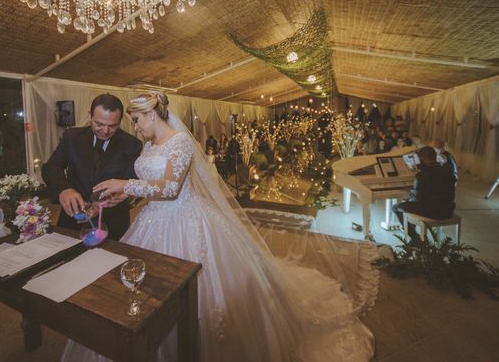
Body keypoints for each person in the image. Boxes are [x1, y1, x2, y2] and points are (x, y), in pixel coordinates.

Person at [61, 91, 374, 362]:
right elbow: (150, 186)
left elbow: (170, 189)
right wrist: (122, 195)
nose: (135, 127)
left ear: (152, 114)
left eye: (137, 120)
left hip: (185, 219)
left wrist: (124, 184)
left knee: (196, 294)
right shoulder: (148, 145)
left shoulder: (180, 142)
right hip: (151, 219)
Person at [42, 94, 142, 240]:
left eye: (113, 125)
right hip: (72, 221)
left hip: (112, 224)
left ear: (120, 121)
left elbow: (131, 181)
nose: (105, 131)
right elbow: (51, 168)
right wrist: (64, 190)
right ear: (90, 115)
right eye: (99, 124)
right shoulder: (72, 136)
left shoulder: (132, 144)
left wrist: (105, 201)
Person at [393, 146, 456, 240]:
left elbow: (418, 198)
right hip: (448, 210)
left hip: (433, 211)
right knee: (410, 204)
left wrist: (410, 191)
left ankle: (415, 239)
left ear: (422, 158)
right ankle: (413, 234)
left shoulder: (422, 175)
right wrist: (414, 190)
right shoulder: (448, 171)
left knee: (396, 207)